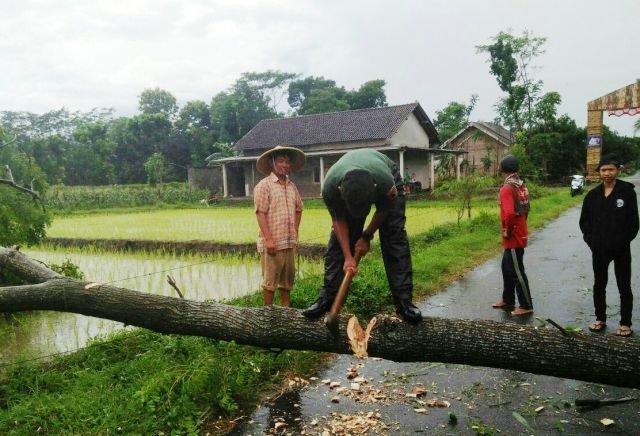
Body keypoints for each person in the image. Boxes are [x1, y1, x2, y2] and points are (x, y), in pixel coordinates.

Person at [302, 149, 422, 322]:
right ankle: (326, 299)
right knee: (338, 244)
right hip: (349, 182)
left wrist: (366, 236)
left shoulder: (386, 184)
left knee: (394, 238)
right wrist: (348, 257)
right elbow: (338, 221)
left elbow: (384, 209)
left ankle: (404, 302)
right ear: (340, 191)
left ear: (374, 189)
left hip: (387, 173)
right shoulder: (330, 187)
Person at [579, 154, 638, 337]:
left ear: (618, 170)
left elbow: (633, 223)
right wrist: (592, 242)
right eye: (603, 170)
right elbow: (584, 222)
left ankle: (625, 323)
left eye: (610, 169)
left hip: (621, 249)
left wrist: (622, 241)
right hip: (599, 250)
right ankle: (600, 318)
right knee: (599, 285)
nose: (607, 173)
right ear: (599, 172)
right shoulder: (592, 195)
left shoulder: (627, 192)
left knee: (624, 286)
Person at [253, 145, 305, 307]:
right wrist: (269, 240)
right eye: (281, 161)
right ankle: (268, 315)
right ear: (272, 163)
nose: (285, 165)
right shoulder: (264, 185)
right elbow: (260, 213)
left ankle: (286, 313)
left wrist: (295, 230)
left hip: (289, 242)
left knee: (287, 281)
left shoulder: (291, 186)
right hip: (272, 243)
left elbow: (299, 209)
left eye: (287, 162)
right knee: (270, 282)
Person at [492, 155, 534, 316]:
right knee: (506, 267)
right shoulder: (521, 185)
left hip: (513, 236)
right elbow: (526, 209)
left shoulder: (506, 189)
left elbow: (509, 214)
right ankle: (508, 299)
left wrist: (508, 231)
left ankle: (526, 304)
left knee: (517, 271)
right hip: (519, 231)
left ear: (501, 170)